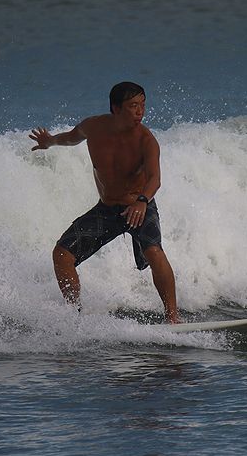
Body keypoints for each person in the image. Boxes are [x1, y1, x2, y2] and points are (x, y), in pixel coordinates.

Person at [28, 82, 179, 324]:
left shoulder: (146, 140)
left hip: (138, 207)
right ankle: (74, 317)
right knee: (62, 255)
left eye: (143, 105)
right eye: (133, 106)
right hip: (107, 210)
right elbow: (71, 138)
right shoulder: (93, 127)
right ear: (116, 108)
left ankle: (173, 319)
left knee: (153, 251)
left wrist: (142, 201)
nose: (140, 111)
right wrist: (50, 141)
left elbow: (155, 179)